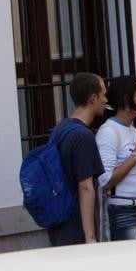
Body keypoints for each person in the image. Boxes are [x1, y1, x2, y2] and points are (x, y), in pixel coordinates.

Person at [46, 72, 107, 246]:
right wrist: (90, 237)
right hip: (76, 224)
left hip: (59, 218)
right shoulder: (83, 136)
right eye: (103, 94)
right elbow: (85, 186)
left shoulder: (61, 128)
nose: (105, 99)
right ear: (93, 98)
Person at [96, 75, 136, 241]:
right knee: (131, 262)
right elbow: (106, 180)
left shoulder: (133, 130)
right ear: (126, 99)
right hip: (123, 209)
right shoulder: (108, 131)